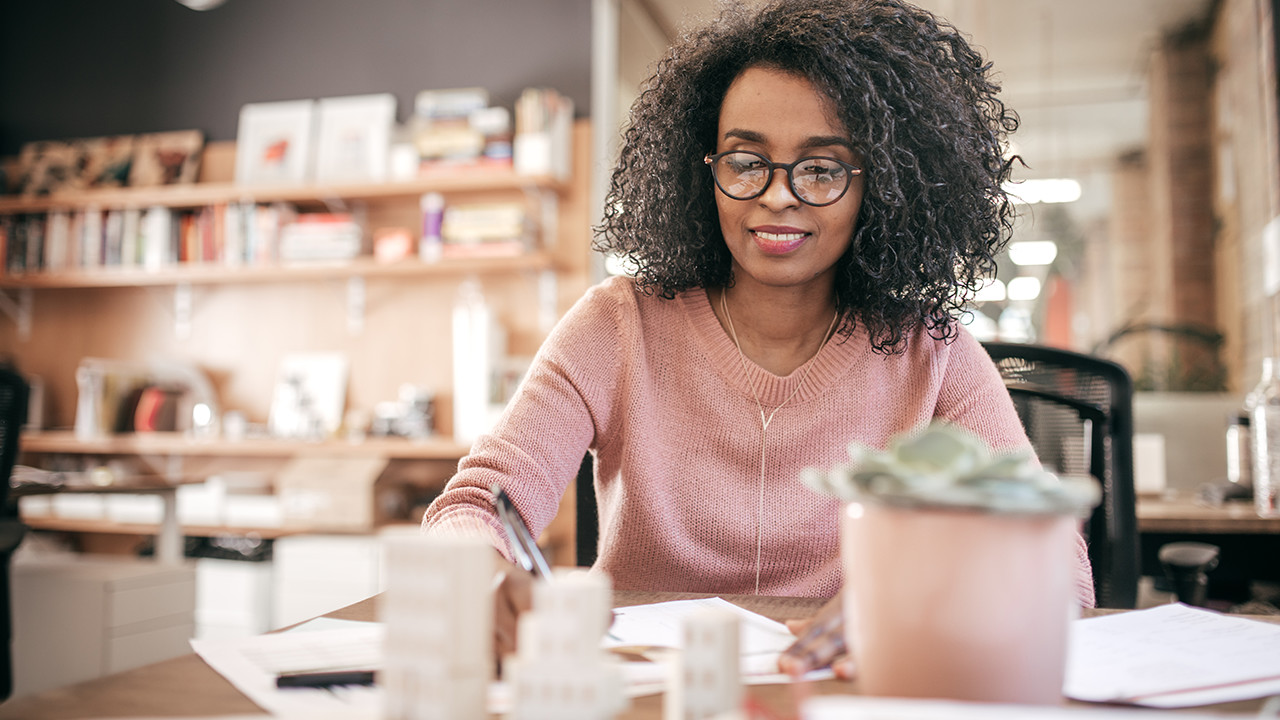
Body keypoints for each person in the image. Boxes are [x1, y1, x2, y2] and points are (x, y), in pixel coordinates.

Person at [421, 0, 1095, 676]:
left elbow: (1058, 570)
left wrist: (918, 602)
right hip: (649, 694)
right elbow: (477, 504)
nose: (777, 195)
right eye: (747, 161)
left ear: (882, 185)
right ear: (702, 166)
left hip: (840, 694)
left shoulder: (934, 352)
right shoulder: (616, 325)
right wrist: (480, 576)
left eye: (823, 168)